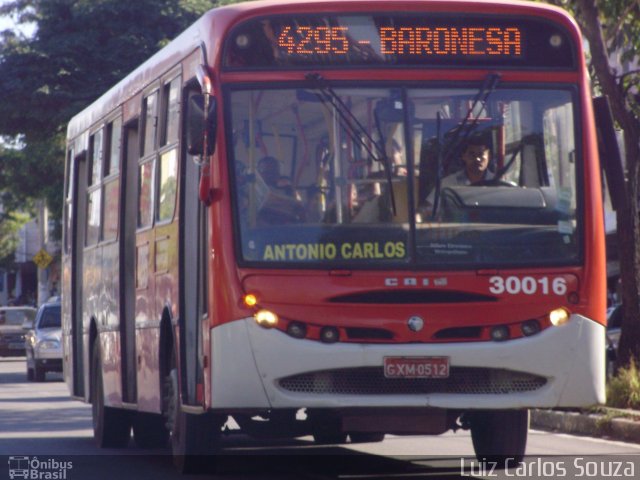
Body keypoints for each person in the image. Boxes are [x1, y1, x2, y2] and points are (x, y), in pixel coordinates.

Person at [424, 135, 494, 207]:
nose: (477, 159)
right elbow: (428, 210)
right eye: (472, 154)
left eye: (481, 154)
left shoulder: (498, 185)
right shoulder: (447, 184)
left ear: (489, 156)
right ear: (463, 156)